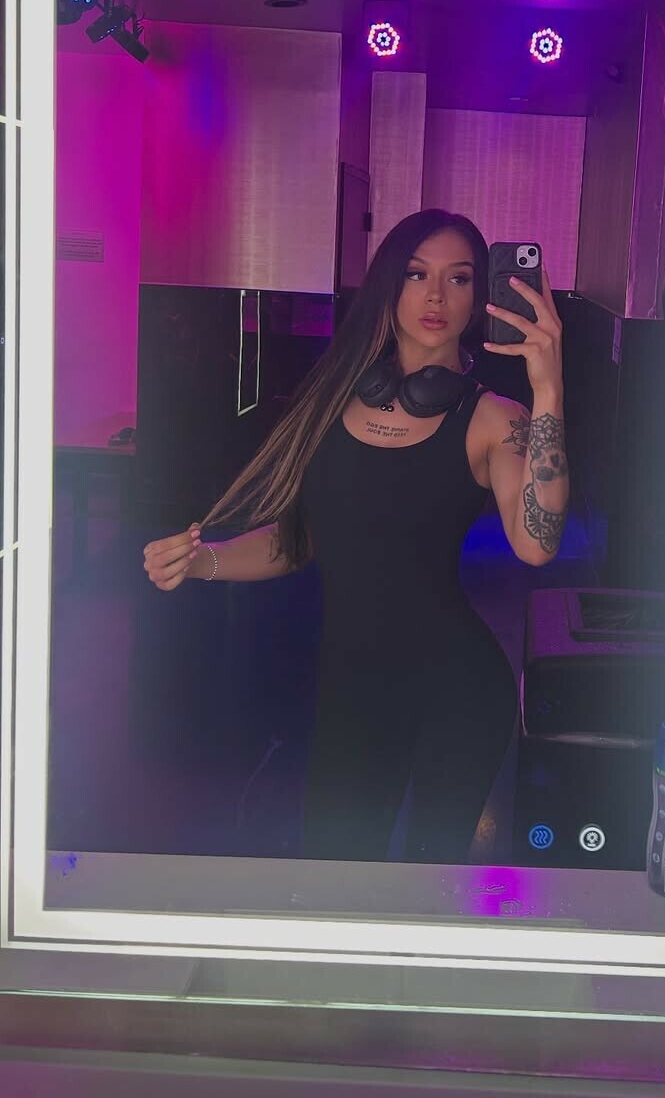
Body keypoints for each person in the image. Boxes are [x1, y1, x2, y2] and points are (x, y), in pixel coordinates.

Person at [142, 209, 569, 863]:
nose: (435, 295)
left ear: (479, 296)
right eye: (417, 274)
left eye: (459, 278)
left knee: (429, 880)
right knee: (335, 869)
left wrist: (548, 389)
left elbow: (536, 543)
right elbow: (299, 539)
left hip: (458, 691)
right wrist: (203, 562)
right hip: (351, 687)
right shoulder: (331, 399)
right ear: (389, 284)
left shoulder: (495, 419)